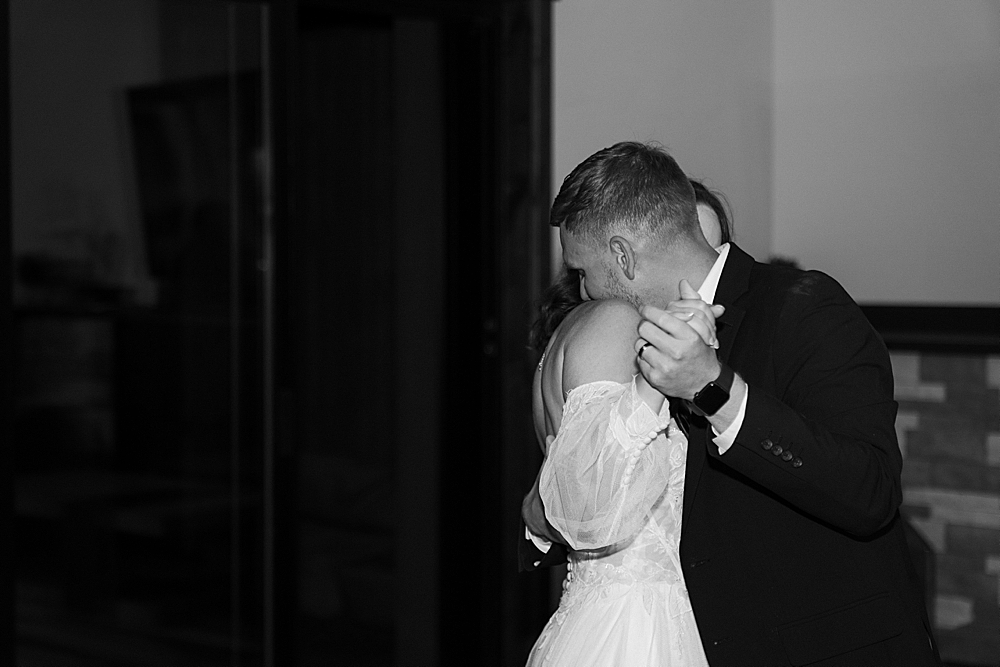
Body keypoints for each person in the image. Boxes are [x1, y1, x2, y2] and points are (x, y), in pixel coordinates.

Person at [522, 142, 940, 666]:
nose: (582, 293)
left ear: (623, 257)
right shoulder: (629, 340)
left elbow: (870, 489)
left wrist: (715, 389)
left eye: (584, 271)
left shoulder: (803, 307)